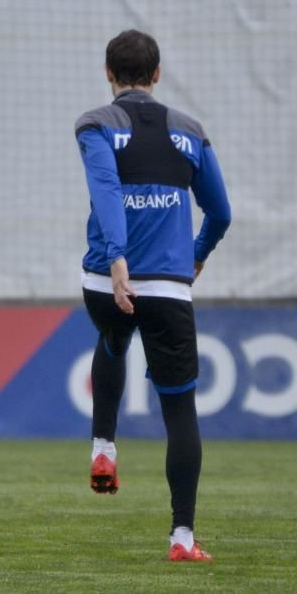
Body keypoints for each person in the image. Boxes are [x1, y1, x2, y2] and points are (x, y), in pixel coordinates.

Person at [75, 30, 231, 561]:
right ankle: (182, 536)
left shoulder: (95, 124)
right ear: (158, 74)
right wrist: (197, 254)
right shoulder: (190, 131)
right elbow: (221, 212)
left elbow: (106, 189)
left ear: (108, 73)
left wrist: (117, 258)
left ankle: (103, 446)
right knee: (180, 412)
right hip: (168, 286)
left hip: (104, 281)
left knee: (113, 338)